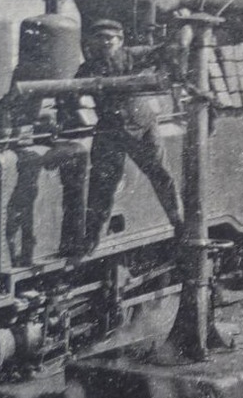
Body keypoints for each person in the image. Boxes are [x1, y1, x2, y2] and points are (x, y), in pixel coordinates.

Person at [67, 17, 185, 255]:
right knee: (102, 185)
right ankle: (92, 239)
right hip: (110, 130)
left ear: (120, 41)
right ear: (91, 42)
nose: (105, 43)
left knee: (161, 175)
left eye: (109, 38)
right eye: (99, 39)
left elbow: (165, 51)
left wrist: (179, 31)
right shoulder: (87, 69)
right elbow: (72, 94)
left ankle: (180, 224)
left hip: (142, 127)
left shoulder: (134, 56)